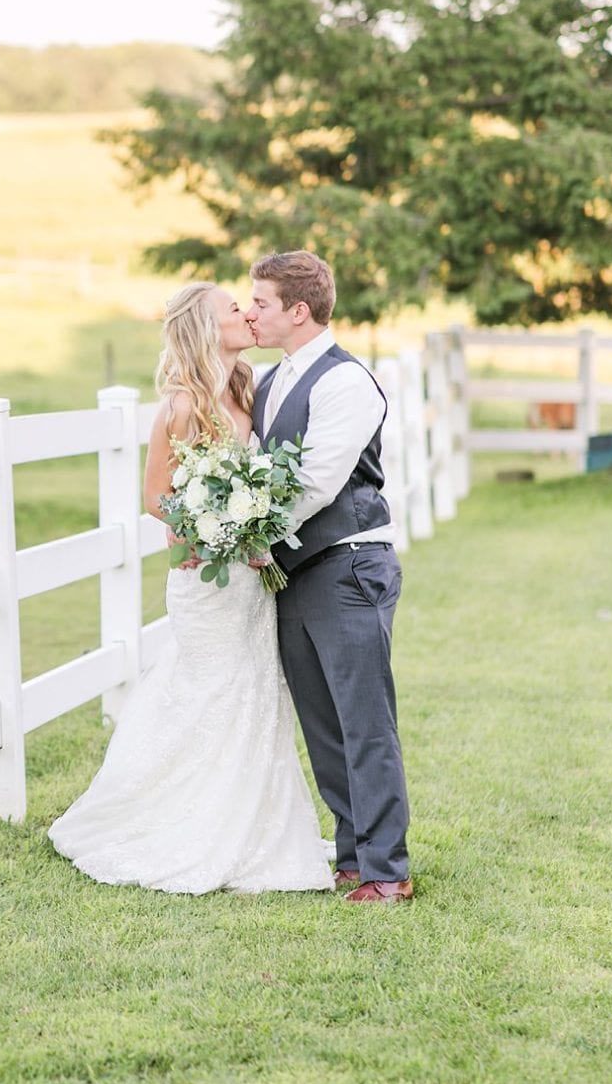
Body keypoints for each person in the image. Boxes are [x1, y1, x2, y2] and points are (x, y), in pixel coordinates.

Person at [48, 281, 334, 895]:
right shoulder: (181, 405)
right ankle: (174, 825)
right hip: (207, 582)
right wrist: (216, 535)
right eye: (235, 308)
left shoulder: (247, 387)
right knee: (208, 695)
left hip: (252, 584)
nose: (248, 313)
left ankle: (259, 828)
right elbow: (156, 496)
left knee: (257, 693)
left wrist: (254, 526)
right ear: (207, 328)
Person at [245, 250, 412, 904]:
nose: (251, 312)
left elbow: (316, 481)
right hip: (295, 573)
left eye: (260, 302)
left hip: (347, 567)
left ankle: (386, 870)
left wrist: (249, 533)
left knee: (363, 720)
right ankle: (351, 854)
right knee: (323, 721)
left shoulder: (346, 383)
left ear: (298, 309)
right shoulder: (273, 381)